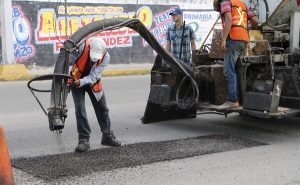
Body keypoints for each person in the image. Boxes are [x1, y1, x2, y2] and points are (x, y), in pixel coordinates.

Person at [69, 37, 121, 152]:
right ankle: (84, 140)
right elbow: (68, 64)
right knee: (80, 109)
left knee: (102, 108)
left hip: (92, 82)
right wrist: (72, 81)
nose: (93, 60)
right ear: (89, 48)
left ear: (103, 50)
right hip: (75, 81)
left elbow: (94, 76)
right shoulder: (81, 47)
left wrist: (83, 81)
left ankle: (107, 136)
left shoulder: (106, 57)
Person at [214, 0, 261, 109]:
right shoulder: (242, 4)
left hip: (233, 39)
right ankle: (238, 98)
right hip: (243, 41)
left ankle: (233, 100)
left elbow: (229, 19)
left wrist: (224, 39)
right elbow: (255, 20)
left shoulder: (225, 2)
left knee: (229, 70)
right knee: (236, 70)